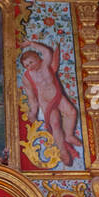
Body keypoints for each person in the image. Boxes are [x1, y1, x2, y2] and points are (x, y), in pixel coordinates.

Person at [20, 39, 82, 167]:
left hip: (57, 96)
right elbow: (31, 97)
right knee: (55, 124)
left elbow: (47, 51)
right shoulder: (27, 77)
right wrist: (33, 112)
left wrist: (31, 43)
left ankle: (69, 135)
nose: (29, 66)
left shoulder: (45, 65)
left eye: (31, 62)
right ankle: (63, 152)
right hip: (46, 103)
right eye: (26, 65)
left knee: (71, 112)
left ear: (38, 58)